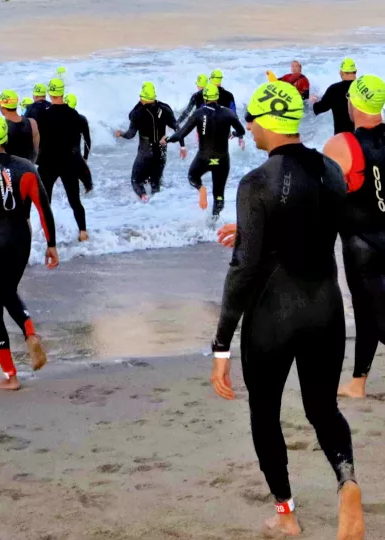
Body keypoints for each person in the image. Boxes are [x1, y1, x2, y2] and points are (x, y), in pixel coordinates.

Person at [210, 81, 363, 540]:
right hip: (325, 309)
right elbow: (321, 225)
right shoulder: (331, 171)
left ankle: (286, 513)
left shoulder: (256, 182)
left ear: (268, 123)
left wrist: (221, 345)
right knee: (323, 409)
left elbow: (243, 269)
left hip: (271, 318)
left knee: (265, 413)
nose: (249, 128)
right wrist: (255, 228)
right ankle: (347, 479)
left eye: (252, 120)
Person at [0, 113, 58, 390]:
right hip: (20, 240)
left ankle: (10, 376)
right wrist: (51, 244)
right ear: (4, 137)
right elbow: (44, 208)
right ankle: (29, 332)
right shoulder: (27, 167)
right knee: (7, 290)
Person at [321, 74, 385, 400]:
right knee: (369, 312)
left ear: (353, 103)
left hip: (362, 244)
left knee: (373, 314)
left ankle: (359, 383)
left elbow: (318, 198)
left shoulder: (340, 144)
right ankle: (358, 382)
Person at [165, 82, 246, 216]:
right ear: (217, 97)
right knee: (219, 195)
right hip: (222, 160)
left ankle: (201, 188)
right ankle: (214, 223)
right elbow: (241, 130)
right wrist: (234, 134)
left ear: (205, 98)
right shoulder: (228, 113)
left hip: (204, 158)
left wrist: (167, 140)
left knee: (192, 176)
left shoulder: (198, 113)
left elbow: (181, 134)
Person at [37, 78, 91, 240]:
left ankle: (47, 238)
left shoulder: (43, 115)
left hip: (48, 162)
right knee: (75, 200)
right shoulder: (75, 115)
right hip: (69, 162)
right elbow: (81, 142)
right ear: (62, 92)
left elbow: (39, 141)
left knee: (45, 203)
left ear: (50, 93)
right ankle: (83, 232)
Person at [114, 82, 181, 202]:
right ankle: (157, 209)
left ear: (142, 97)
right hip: (161, 150)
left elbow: (130, 134)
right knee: (155, 183)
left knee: (136, 181)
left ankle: (144, 198)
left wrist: (121, 134)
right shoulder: (165, 108)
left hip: (146, 151)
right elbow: (178, 128)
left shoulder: (138, 112)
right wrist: (183, 146)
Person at [311, 58, 359, 134]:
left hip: (342, 138)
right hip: (362, 137)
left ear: (341, 73)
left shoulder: (334, 89)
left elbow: (319, 109)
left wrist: (313, 101)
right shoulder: (363, 88)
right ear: (355, 72)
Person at [0, 89, 39, 163]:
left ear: (1, 105)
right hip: (28, 168)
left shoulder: (1, 128)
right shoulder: (32, 123)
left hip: (10, 171)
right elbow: (35, 151)